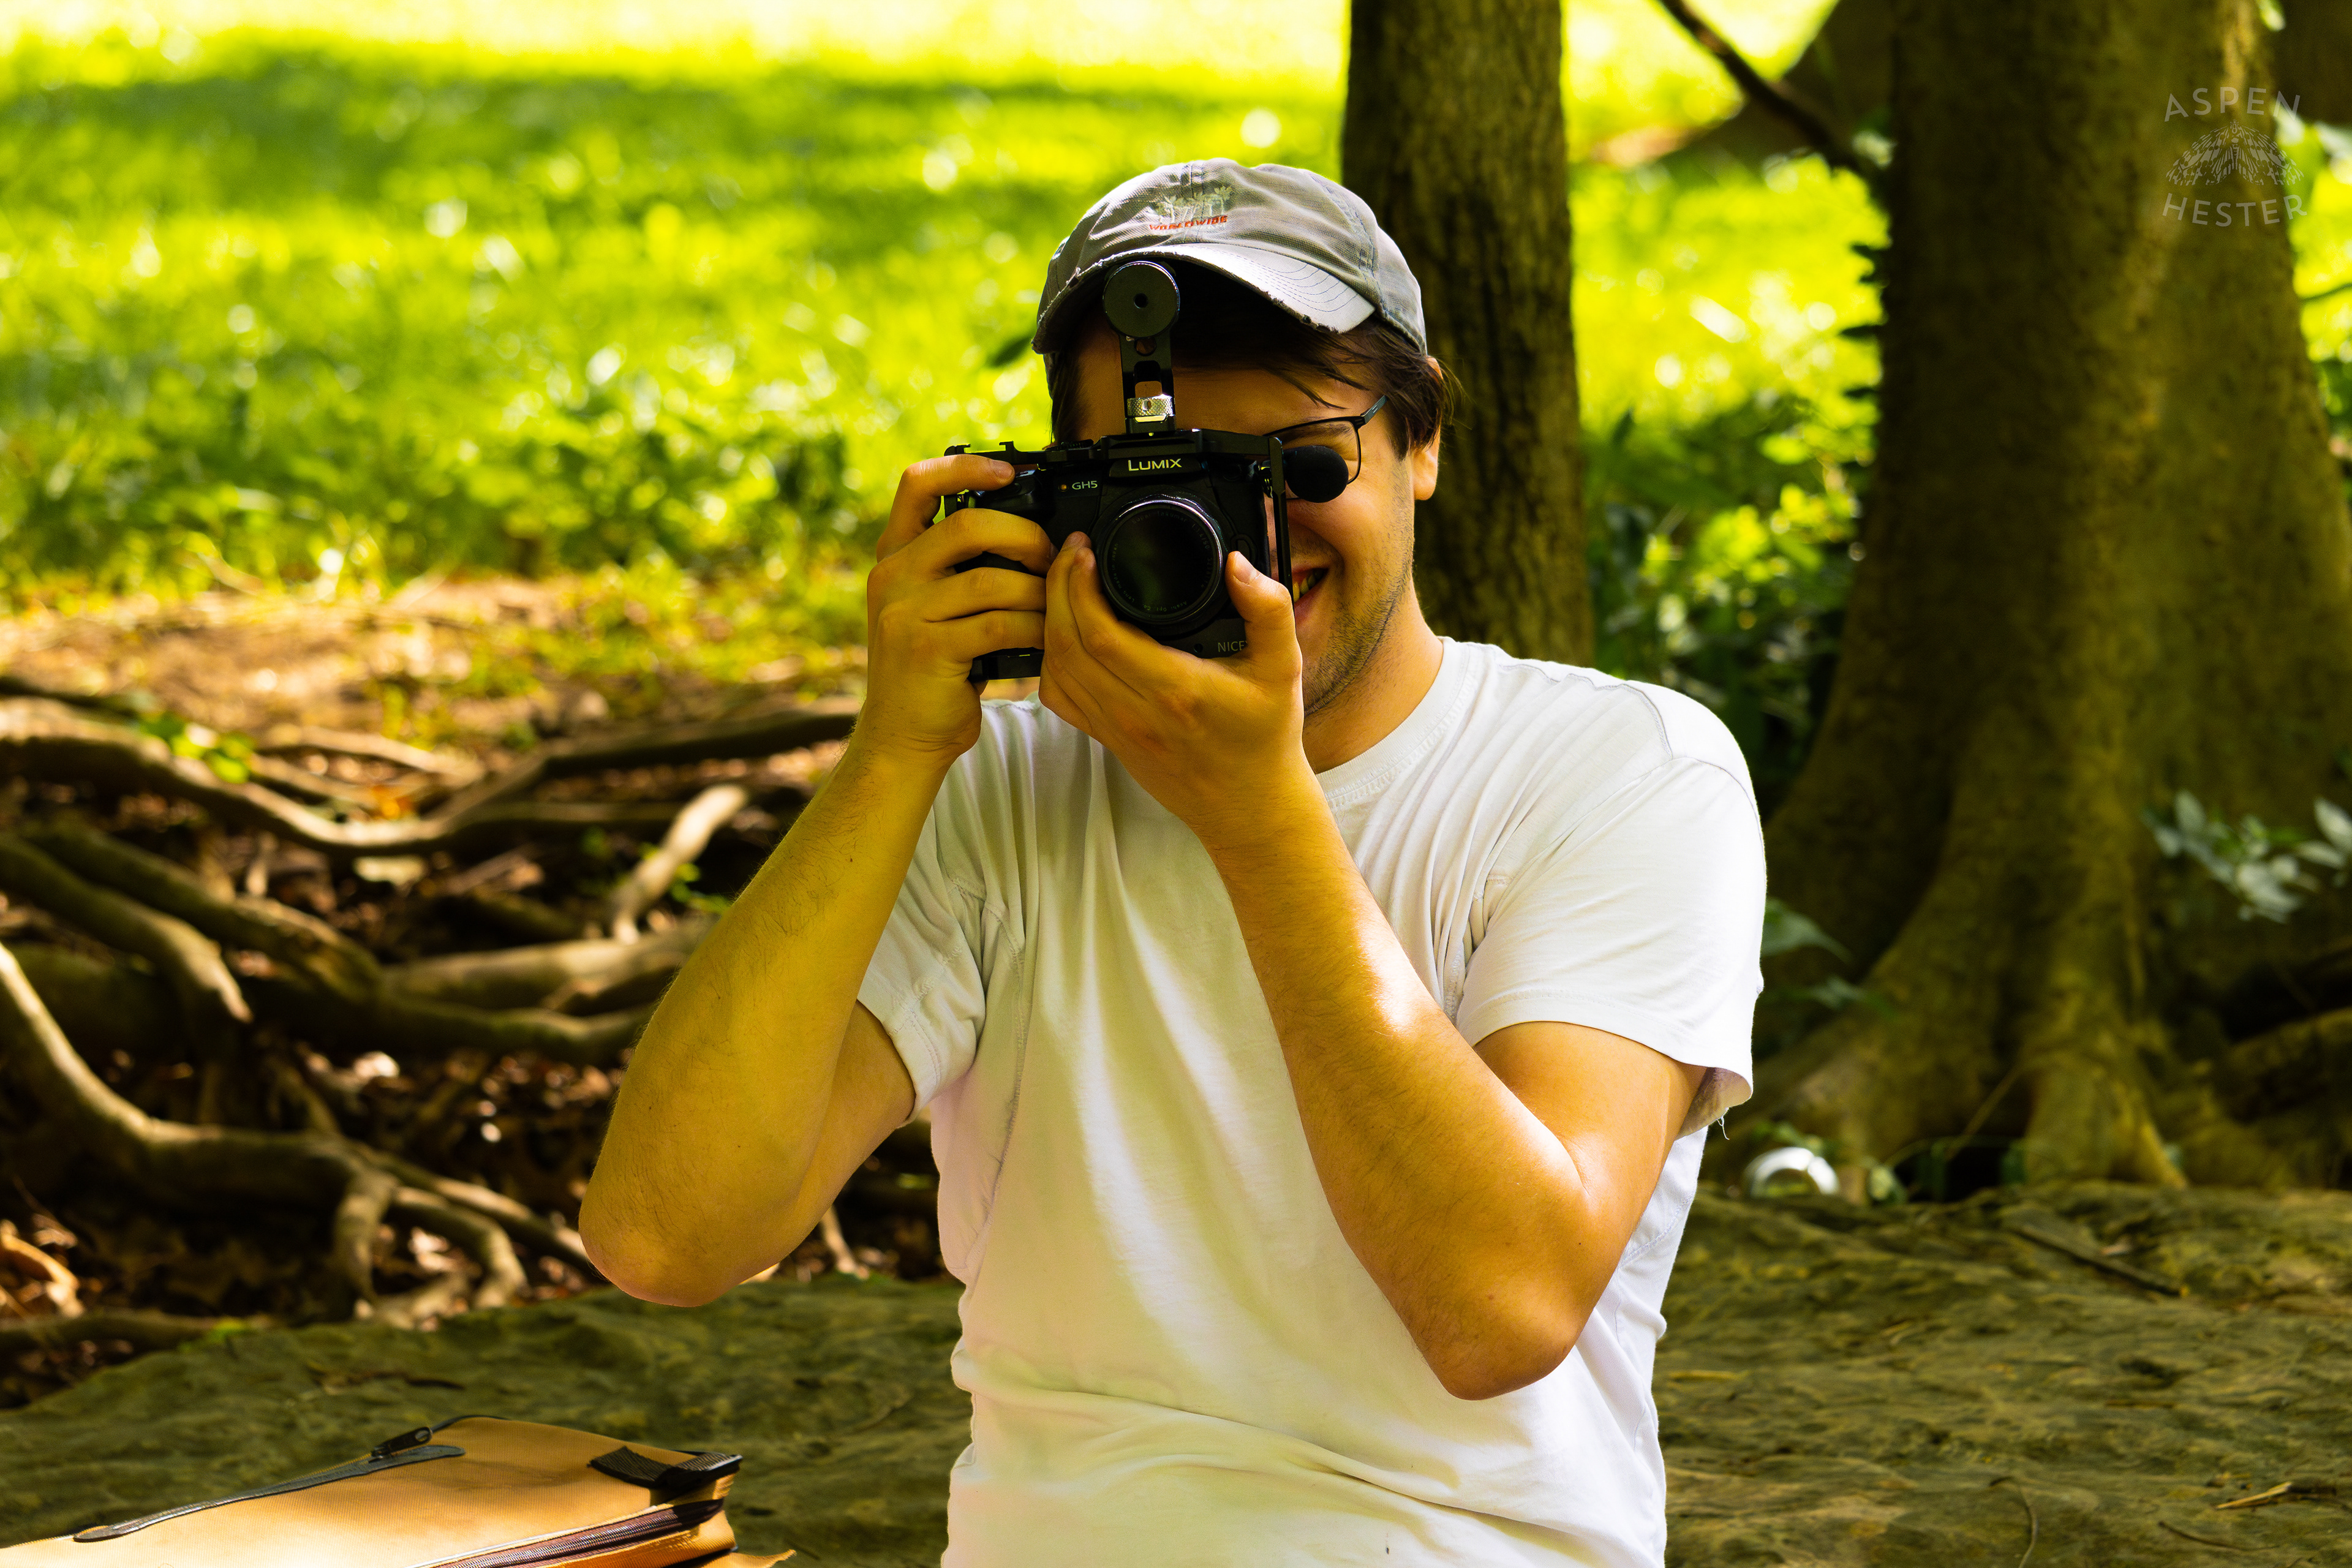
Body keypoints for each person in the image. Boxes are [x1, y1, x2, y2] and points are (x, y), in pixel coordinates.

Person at [582, 159, 1766, 1566]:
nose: (1240, 540)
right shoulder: (997, 789)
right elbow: (668, 1235)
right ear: (1058, 497)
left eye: (1293, 467)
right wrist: (890, 755)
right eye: (1171, 483)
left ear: (1423, 439)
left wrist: (1258, 818)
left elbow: (1500, 1306)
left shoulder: (1620, 772)